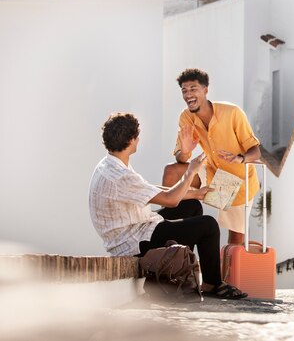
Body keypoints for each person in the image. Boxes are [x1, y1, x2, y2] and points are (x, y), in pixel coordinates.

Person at [89, 112, 247, 299]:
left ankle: (177, 265)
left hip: (136, 226)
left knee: (192, 206)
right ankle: (212, 283)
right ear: (132, 140)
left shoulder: (110, 164)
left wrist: (195, 193)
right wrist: (190, 173)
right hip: (134, 243)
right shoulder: (120, 176)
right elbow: (170, 199)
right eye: (137, 137)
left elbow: (149, 189)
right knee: (208, 225)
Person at [162, 68, 261, 245]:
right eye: (184, 90)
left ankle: (228, 272)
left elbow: (256, 151)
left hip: (238, 184)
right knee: (171, 172)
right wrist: (185, 151)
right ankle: (169, 235)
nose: (188, 95)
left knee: (235, 241)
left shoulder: (232, 113)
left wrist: (240, 158)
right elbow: (181, 158)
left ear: (205, 90)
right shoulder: (186, 117)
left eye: (193, 89)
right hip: (211, 172)